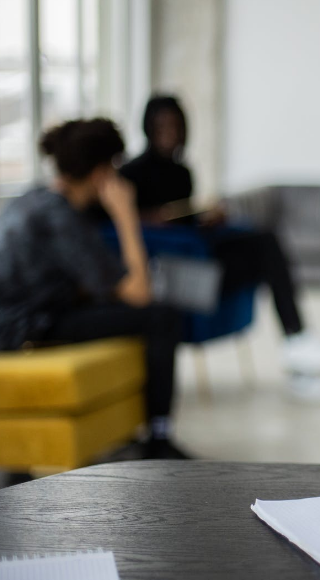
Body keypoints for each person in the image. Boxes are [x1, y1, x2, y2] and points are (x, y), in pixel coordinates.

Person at [118, 95, 320, 403]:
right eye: (162, 125)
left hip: (198, 251)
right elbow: (122, 225)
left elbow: (186, 222)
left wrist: (206, 219)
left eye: (175, 125)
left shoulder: (181, 172)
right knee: (264, 250)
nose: (170, 132)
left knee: (265, 241)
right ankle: (297, 345)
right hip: (176, 272)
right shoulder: (130, 174)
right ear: (148, 127)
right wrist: (152, 219)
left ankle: (298, 347)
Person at [0, 118, 189, 459]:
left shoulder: (34, 199)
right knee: (162, 316)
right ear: (102, 172)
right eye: (114, 167)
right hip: (28, 328)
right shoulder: (62, 217)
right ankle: (158, 441)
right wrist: (125, 214)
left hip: (21, 319)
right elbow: (139, 294)